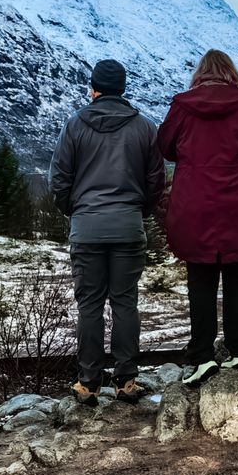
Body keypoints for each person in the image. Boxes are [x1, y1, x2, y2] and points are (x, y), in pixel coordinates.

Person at [49, 59, 168, 406]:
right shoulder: (145, 128)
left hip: (87, 228)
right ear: (123, 89)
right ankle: (126, 380)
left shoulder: (74, 125)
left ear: (94, 89)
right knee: (125, 302)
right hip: (128, 226)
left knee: (89, 305)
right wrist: (138, 211)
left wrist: (77, 211)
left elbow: (59, 179)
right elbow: (155, 182)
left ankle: (88, 383)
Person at [157, 49, 238, 386]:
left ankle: (202, 356)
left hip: (196, 205)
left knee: (201, 280)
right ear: (231, 73)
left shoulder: (182, 106)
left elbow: (165, 146)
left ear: (200, 74)